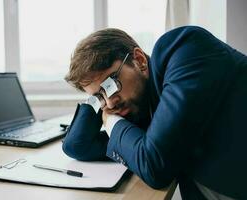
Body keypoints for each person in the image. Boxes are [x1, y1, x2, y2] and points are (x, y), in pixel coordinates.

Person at [62, 26, 247, 199]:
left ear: (140, 61)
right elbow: (77, 145)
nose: (110, 102)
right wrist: (98, 99)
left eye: (111, 85)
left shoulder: (184, 48)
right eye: (100, 97)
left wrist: (110, 121)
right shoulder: (140, 107)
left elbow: (154, 167)